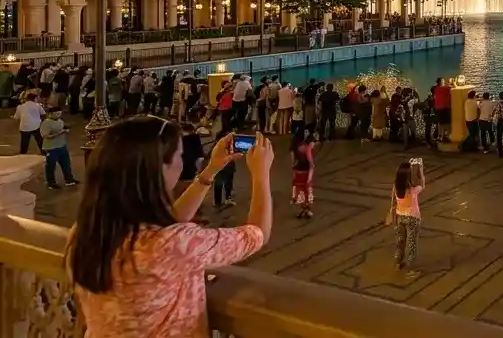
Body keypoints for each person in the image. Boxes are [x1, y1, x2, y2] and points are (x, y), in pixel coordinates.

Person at [68, 119, 273, 336]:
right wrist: (261, 174)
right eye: (180, 156)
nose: (182, 163)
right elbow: (257, 233)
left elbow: (165, 227)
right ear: (159, 169)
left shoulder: (87, 231)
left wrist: (211, 169)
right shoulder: (173, 244)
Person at [391, 159, 425, 278]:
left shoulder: (395, 186)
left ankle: (398, 262)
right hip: (413, 218)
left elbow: (393, 202)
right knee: (411, 244)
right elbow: (423, 184)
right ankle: (411, 270)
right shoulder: (412, 190)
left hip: (400, 217)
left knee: (400, 241)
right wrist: (420, 168)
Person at [40, 108, 78, 189]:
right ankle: (51, 183)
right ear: (50, 114)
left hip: (62, 146)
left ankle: (69, 179)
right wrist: (60, 133)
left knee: (66, 164)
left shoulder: (60, 121)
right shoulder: (46, 123)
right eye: (56, 114)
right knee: (51, 166)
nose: (59, 116)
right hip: (51, 148)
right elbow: (45, 136)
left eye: (60, 114)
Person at [292, 127, 316, 219]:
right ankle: (307, 210)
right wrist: (310, 178)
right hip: (305, 173)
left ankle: (302, 209)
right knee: (306, 191)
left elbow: (295, 161)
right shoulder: (308, 149)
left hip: (298, 172)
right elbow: (310, 164)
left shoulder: (298, 147)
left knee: (299, 191)